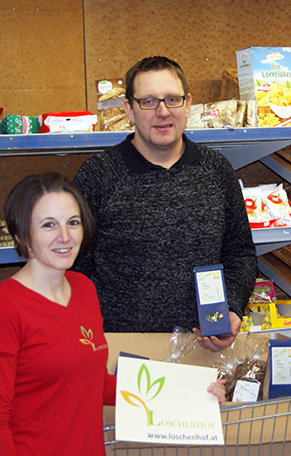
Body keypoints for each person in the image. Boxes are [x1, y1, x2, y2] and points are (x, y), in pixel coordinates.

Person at [0, 172, 226, 456]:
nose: (65, 236)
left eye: (73, 222)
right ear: (21, 235)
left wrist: (193, 393)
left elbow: (97, 384)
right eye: (49, 225)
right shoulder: (4, 308)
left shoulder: (84, 290)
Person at [73, 56, 257, 351]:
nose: (162, 112)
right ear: (129, 111)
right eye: (148, 101)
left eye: (172, 99)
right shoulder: (99, 175)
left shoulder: (216, 171)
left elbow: (240, 253)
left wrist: (233, 308)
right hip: (121, 353)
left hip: (203, 349)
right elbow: (74, 269)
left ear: (187, 105)